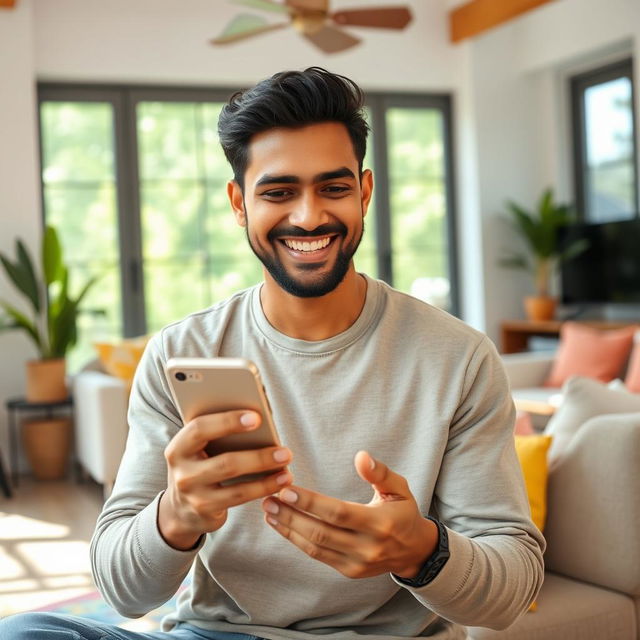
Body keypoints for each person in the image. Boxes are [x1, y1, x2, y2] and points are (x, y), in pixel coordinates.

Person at [1, 67, 544, 640]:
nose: (308, 217)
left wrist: (422, 551)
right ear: (239, 203)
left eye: (333, 188)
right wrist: (177, 515)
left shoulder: (459, 358)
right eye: (279, 192)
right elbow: (124, 592)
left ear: (364, 192)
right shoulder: (180, 352)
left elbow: (511, 590)